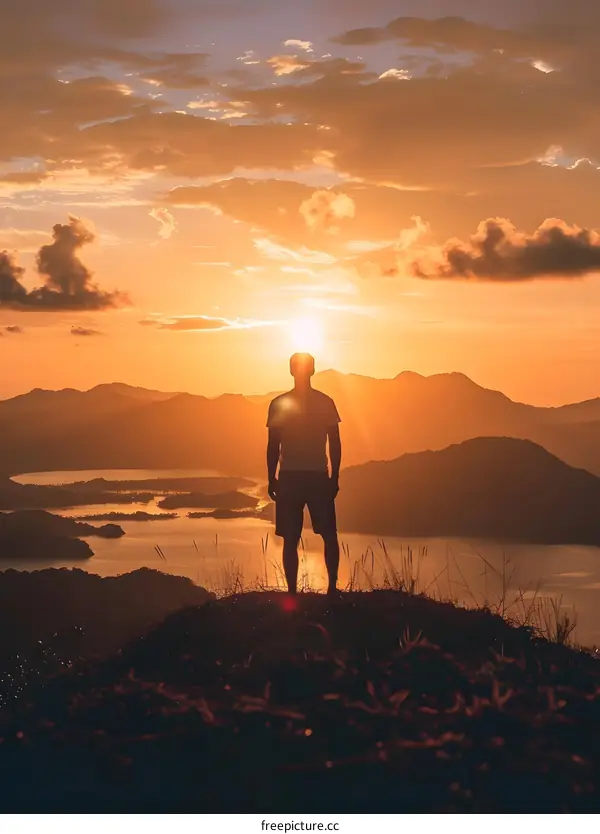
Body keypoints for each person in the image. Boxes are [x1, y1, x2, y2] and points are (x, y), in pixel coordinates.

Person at [266, 353, 341, 595]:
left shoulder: (279, 403)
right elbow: (335, 443)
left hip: (290, 477)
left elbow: (273, 445)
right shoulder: (325, 402)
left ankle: (292, 592)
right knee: (328, 534)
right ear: (313, 370)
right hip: (317, 476)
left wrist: (271, 478)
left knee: (291, 538)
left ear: (291, 370)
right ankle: (332, 589)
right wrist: (334, 477)